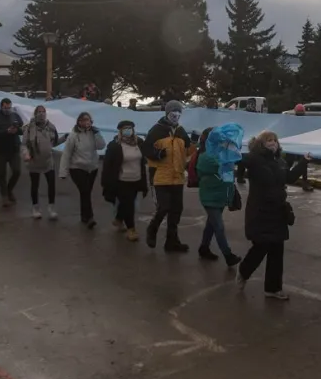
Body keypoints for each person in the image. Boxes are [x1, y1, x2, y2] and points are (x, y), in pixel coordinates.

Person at [237, 130, 310, 299]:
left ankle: (273, 288)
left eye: (275, 140)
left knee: (277, 250)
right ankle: (243, 271)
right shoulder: (255, 159)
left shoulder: (280, 161)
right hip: (260, 211)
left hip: (278, 211)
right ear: (261, 144)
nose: (273, 143)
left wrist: (304, 162)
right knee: (261, 246)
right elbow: (240, 158)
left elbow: (289, 178)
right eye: (269, 140)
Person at [142, 100, 194, 252]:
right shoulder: (156, 130)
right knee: (163, 207)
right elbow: (146, 149)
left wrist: (195, 143)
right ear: (167, 113)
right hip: (160, 176)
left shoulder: (181, 131)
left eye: (178, 112)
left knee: (176, 210)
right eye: (173, 112)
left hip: (177, 176)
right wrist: (157, 154)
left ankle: (172, 241)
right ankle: (152, 229)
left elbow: (188, 151)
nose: (176, 115)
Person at [196, 124, 245, 267]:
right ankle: (228, 255)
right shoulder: (205, 156)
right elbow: (223, 166)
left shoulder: (223, 153)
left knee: (211, 224)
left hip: (221, 195)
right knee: (219, 226)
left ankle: (204, 248)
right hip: (209, 197)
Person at [102, 120, 148, 242]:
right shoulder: (115, 145)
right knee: (129, 205)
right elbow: (108, 165)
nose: (128, 130)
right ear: (120, 131)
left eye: (130, 128)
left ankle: (118, 218)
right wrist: (106, 182)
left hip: (136, 179)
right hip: (122, 180)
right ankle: (131, 229)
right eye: (125, 128)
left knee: (126, 203)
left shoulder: (139, 143)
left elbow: (144, 159)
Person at [59, 112, 105, 227]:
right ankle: (90, 217)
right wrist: (63, 172)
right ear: (79, 122)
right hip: (77, 168)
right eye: (83, 120)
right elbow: (66, 154)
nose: (86, 122)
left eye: (88, 120)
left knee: (86, 193)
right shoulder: (74, 135)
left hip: (92, 168)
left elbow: (101, 146)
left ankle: (84, 216)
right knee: (84, 191)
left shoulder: (93, 133)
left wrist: (97, 134)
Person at [23, 105, 59, 220]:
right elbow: (24, 144)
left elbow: (54, 143)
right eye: (39, 112)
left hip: (48, 162)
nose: (42, 114)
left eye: (43, 112)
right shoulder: (29, 128)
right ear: (35, 113)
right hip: (34, 162)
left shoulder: (51, 127)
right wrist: (26, 154)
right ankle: (35, 208)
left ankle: (51, 208)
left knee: (52, 184)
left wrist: (65, 138)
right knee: (35, 185)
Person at [0, 98, 24, 206]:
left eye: (9, 108)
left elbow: (22, 130)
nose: (7, 110)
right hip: (0, 150)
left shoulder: (15, 116)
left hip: (14, 149)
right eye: (5, 108)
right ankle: (4, 196)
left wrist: (17, 130)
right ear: (1, 107)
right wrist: (6, 131)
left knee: (17, 171)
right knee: (2, 173)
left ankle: (9, 189)